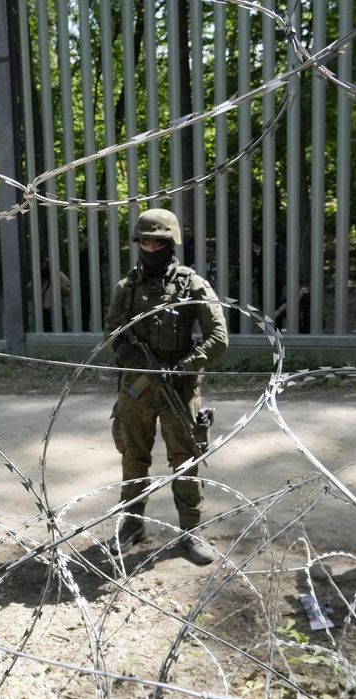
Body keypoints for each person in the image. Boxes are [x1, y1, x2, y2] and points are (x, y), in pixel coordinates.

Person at [103, 208, 229, 565]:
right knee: (133, 457)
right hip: (136, 387)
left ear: (170, 242)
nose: (150, 246)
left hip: (179, 388)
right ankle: (131, 523)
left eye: (157, 241)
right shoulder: (126, 288)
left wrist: (183, 367)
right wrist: (132, 354)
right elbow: (112, 330)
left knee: (186, 461)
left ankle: (190, 532)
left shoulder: (193, 285)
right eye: (144, 240)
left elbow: (219, 339)